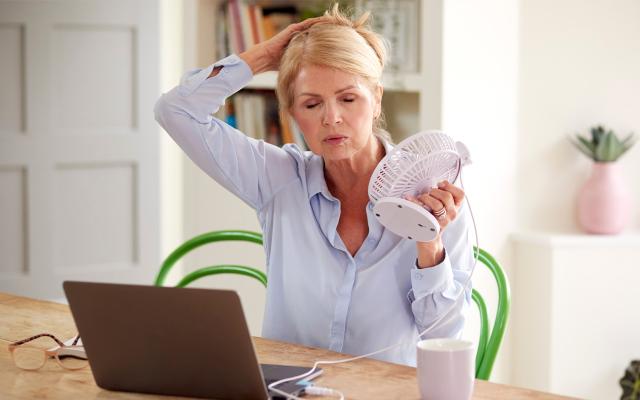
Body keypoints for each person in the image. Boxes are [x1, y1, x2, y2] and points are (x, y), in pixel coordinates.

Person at [154, 5, 473, 366]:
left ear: (376, 98)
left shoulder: (435, 197)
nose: (331, 117)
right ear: (292, 113)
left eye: (348, 98)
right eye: (311, 103)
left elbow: (446, 339)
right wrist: (264, 56)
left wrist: (429, 244)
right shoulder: (277, 179)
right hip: (288, 389)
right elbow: (174, 110)